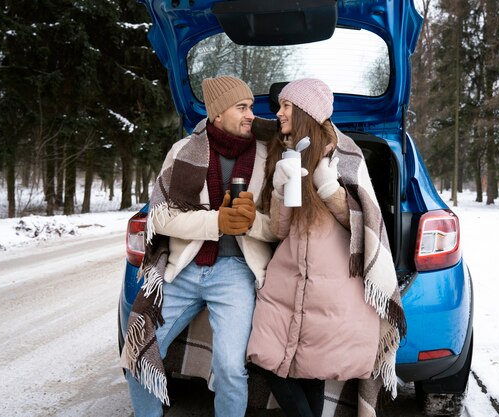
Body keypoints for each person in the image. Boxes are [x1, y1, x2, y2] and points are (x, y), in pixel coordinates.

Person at [246, 78, 407, 417]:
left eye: (285, 106)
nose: (278, 114)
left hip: (331, 285)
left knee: (312, 368)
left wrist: (328, 186)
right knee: (262, 356)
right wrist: (279, 190)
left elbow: (366, 225)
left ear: (305, 111)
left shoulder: (344, 152)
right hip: (287, 280)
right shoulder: (284, 150)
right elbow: (279, 230)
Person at [121, 75, 276, 417]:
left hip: (236, 273)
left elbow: (280, 227)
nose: (251, 114)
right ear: (217, 114)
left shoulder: (268, 156)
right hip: (184, 268)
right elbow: (160, 218)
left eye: (251, 106)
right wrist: (216, 223)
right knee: (137, 350)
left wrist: (251, 222)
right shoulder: (182, 152)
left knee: (230, 369)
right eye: (242, 107)